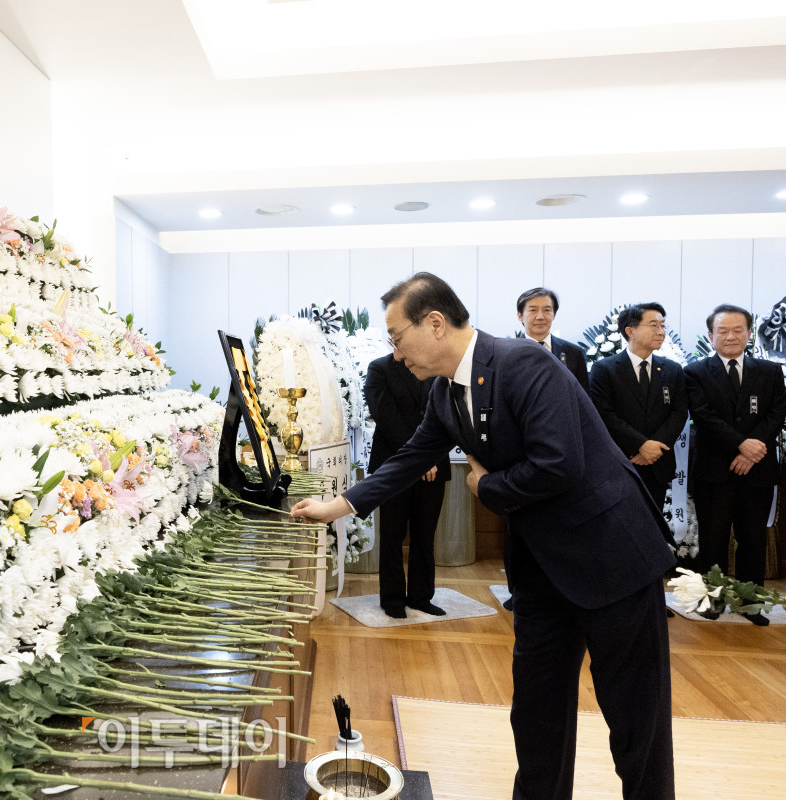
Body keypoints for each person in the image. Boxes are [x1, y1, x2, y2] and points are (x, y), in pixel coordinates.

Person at [293, 272, 675, 800]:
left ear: (434, 323)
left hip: (609, 555)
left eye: (396, 337)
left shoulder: (524, 365)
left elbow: (559, 464)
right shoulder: (446, 394)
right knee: (537, 716)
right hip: (541, 570)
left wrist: (486, 484)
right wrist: (336, 506)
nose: (396, 353)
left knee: (637, 724)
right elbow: (411, 457)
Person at [683, 304, 786, 625]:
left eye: (738, 330)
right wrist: (741, 445)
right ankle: (710, 601)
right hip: (714, 472)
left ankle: (749, 602)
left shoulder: (769, 372)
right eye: (723, 331)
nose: (731, 336)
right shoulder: (695, 372)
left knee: (753, 539)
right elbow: (703, 416)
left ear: (749, 333)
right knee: (712, 540)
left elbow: (777, 413)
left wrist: (752, 451)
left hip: (758, 471)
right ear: (711, 336)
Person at [364, 354, 450, 618]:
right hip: (394, 464)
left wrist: (429, 458)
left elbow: (446, 413)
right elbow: (386, 417)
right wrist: (420, 459)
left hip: (434, 465)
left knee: (425, 534)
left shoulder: (437, 364)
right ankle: (391, 600)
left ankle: (421, 597)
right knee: (392, 534)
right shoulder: (379, 368)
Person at [589, 302, 688, 512]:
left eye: (663, 326)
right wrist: (640, 445)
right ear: (630, 330)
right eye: (654, 325)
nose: (661, 332)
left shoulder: (672, 369)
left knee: (654, 528)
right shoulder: (604, 369)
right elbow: (604, 415)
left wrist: (654, 447)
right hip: (622, 462)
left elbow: (679, 412)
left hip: (657, 463)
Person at [516, 286, 589, 391]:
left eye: (546, 310)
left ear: (554, 314)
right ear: (520, 316)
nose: (540, 316)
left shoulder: (573, 353)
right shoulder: (506, 353)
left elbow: (583, 399)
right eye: (533, 310)